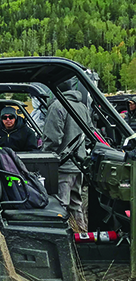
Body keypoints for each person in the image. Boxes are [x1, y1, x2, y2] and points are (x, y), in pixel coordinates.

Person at [42, 78, 92, 232]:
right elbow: (90, 134)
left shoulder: (58, 106)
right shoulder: (82, 107)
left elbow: (52, 138)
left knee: (60, 204)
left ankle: (62, 237)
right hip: (79, 164)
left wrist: (45, 157)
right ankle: (81, 234)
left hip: (63, 166)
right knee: (76, 203)